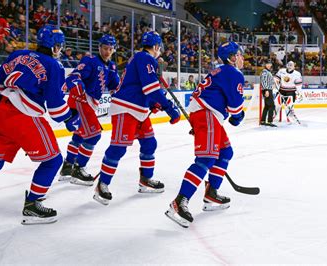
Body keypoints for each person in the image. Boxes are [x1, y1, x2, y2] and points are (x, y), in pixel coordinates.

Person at [0, 25, 80, 229]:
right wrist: (71, 119)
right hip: (25, 119)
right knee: (53, 161)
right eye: (59, 46)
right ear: (55, 46)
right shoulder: (54, 66)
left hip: (1, 115)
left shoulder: (18, 54)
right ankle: (32, 205)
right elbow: (55, 109)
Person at [93, 31, 181, 205]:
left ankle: (145, 180)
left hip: (137, 108)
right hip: (126, 108)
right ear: (156, 47)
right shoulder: (145, 58)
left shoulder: (142, 59)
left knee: (149, 143)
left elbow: (143, 87)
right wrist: (169, 107)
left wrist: (152, 103)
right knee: (118, 148)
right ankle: (102, 184)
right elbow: (150, 88)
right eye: (159, 48)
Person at [165, 41, 245, 228]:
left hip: (207, 114)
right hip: (207, 113)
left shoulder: (220, 71)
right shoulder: (233, 72)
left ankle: (211, 194)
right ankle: (179, 202)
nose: (242, 58)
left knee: (225, 152)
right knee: (206, 157)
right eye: (240, 54)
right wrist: (238, 117)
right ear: (232, 58)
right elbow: (234, 108)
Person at [59, 34, 120, 186]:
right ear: (99, 47)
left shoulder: (111, 66)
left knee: (79, 136)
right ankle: (79, 169)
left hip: (90, 103)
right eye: (105, 48)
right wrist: (76, 82)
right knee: (94, 135)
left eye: (110, 49)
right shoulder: (90, 61)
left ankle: (67, 166)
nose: (107, 51)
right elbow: (74, 76)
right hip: (81, 100)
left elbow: (115, 88)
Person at [260, 59, 276, 127]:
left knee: (267, 106)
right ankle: (269, 121)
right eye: (268, 64)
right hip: (267, 90)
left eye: (270, 64)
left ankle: (263, 120)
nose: (269, 65)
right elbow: (263, 81)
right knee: (271, 106)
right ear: (265, 65)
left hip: (269, 89)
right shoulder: (265, 72)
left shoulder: (268, 71)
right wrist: (266, 90)